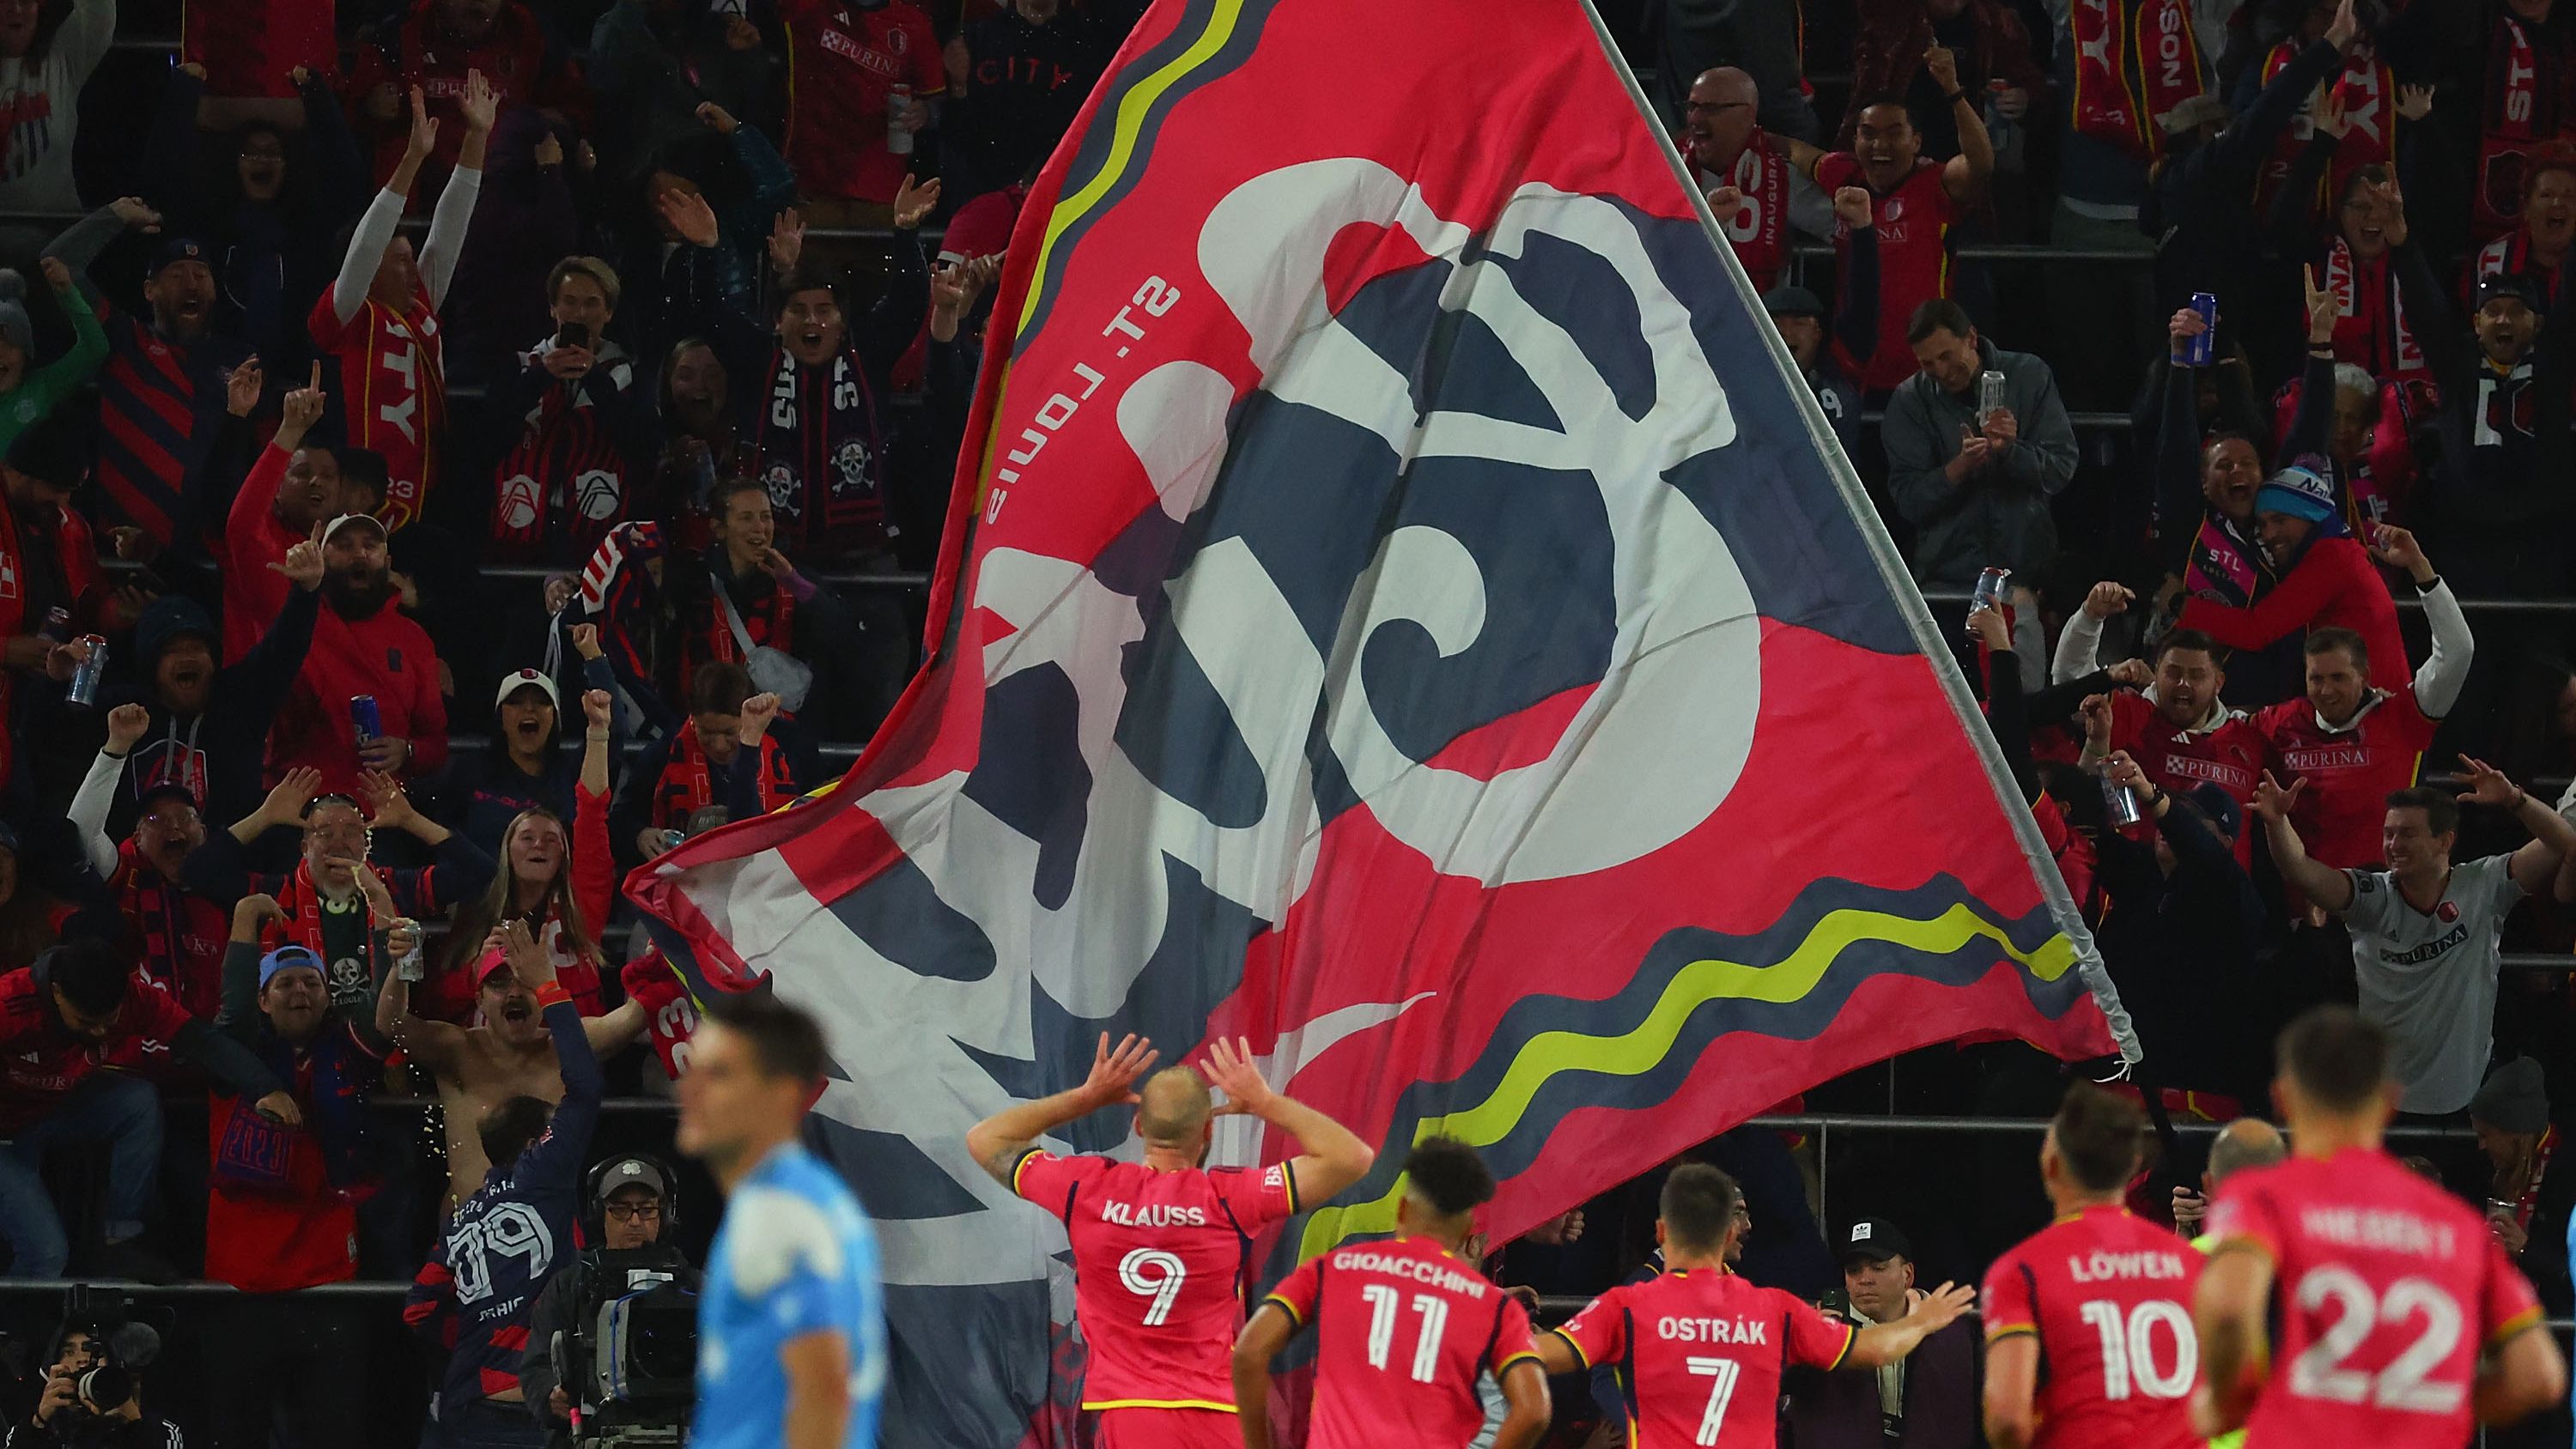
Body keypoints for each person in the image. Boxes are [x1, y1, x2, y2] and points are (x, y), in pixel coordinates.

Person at [963, 1034, 1376, 1446]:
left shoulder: (1084, 1190)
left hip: (1133, 1414)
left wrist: (1085, 1098)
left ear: (1139, 1125)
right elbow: (1351, 1157)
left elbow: (985, 1139)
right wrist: (1265, 1103)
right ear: (1209, 1129)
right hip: (1220, 1416)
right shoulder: (1231, 1199)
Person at [2193, 1006, 2567, 1444]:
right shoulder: (2459, 1226)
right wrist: (2432, 1411)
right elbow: (2539, 1374)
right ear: (2390, 1102)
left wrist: (2228, 1403)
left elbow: (2229, 1307)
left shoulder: (2263, 1197)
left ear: (2282, 1098)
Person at [1534, 1165, 1974, 1448]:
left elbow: (1536, 1355)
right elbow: (1873, 1350)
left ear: (1663, 1232)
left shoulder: (1623, 1306)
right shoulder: (1773, 1309)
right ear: (1727, 1235)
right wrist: (1923, 1321)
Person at [2256, 765, 2576, 1116]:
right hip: (2382, 1101)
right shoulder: (2371, 897)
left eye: (2407, 834)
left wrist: (2514, 799)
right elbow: (2301, 870)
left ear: (2445, 841)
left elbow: (2561, 842)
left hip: (2464, 1098)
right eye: (2388, 834)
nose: (2394, 845)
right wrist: (2277, 822)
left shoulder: (2484, 885)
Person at [200, 896, 397, 1447]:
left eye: (311, 982)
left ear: (328, 995)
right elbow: (232, 1012)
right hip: (241, 1281)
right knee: (236, 1436)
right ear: (262, 999)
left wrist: (386, 930)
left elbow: (385, 1018)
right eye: (284, 984)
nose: (300, 991)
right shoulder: (234, 1059)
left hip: (328, 1279)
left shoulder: (347, 1055)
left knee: (335, 1435)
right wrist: (244, 920)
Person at [404, 920, 604, 1449]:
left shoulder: (460, 1221)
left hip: (465, 1400)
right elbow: (585, 1087)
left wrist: (478, 1333)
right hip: (537, 1408)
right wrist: (549, 987)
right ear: (539, 1139)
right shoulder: (545, 1172)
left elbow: (418, 1310)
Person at [0, 938, 295, 1278]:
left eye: (109, 1021)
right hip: (6, 1136)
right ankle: (21, 1313)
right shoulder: (10, 1004)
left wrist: (266, 1087)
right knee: (47, 1255)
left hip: (58, 1106)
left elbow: (200, 1041)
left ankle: (119, 1238)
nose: (99, 1031)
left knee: (138, 1101)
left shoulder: (135, 999)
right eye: (86, 1022)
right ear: (56, 993)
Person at [1235, 1138, 1548, 1449]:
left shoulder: (1332, 1270)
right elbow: (1534, 1410)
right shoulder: (1496, 1308)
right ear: (1468, 1231)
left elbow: (1250, 1350)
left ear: (1402, 1210)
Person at [681, 991, 884, 1449]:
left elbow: (824, 1398)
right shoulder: (809, 1197)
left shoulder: (779, 1217)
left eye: (719, 1074)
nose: (689, 1090)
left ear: (783, 1095)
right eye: (692, 1070)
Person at [310, 77, 492, 530]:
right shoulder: (348, 313)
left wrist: (476, 137)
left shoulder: (418, 308)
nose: (415, 270)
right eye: (400, 261)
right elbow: (366, 244)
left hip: (427, 500)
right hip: (361, 507)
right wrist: (411, 160)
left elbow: (450, 229)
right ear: (370, 268)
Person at [719, 189, 936, 563]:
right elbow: (712, 314)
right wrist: (707, 249)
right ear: (778, 320)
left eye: (823, 310)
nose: (812, 321)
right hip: (772, 553)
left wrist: (905, 232)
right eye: (799, 310)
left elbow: (909, 300)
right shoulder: (759, 359)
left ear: (842, 321)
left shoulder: (866, 351)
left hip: (865, 550)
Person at [1982, 1084, 2199, 1449]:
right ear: (2133, 1163)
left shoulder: (2022, 1272)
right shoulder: (2191, 1262)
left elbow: (2008, 1421)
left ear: (2050, 1166)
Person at [184, 770, 495, 1020]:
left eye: (351, 832)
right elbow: (196, 872)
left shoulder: (392, 887)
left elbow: (480, 872)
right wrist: (263, 817)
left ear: (367, 845)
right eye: (324, 833)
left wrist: (411, 820)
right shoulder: (275, 894)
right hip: (294, 1033)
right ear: (304, 848)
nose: (339, 844)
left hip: (376, 1033)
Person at [2251, 556, 2470, 876]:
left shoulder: (2404, 716)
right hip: (2303, 897)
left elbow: (2458, 651)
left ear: (2364, 676)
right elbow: (2211, 725)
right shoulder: (2278, 722)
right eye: (2316, 679)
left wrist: (2420, 567)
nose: (2326, 690)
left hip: (2386, 895)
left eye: (2338, 678)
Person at [1797, 50, 1994, 394]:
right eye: (1868, 133)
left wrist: (1953, 91)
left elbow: (1981, 163)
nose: (1880, 144)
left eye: (1894, 133)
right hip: (1853, 367)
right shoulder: (1843, 174)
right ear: (1855, 140)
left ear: (1916, 142)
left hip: (1923, 370)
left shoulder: (1936, 185)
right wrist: (1757, 136)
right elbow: (1797, 152)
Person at [87, 553, 319, 840]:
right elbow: (57, 730)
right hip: (132, 861)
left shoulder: (240, 700)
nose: (187, 657)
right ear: (152, 667)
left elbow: (282, 651)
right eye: (172, 650)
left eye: (197, 648)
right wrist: (56, 679)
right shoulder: (123, 711)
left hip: (229, 858)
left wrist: (306, 593)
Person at [428, 688, 620, 1022]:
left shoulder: (583, 904)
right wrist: (475, 972)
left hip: (568, 1049)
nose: (539, 845)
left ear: (565, 855)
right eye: (527, 837)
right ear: (507, 852)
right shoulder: (479, 910)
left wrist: (598, 732)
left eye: (551, 839)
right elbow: (443, 1004)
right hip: (492, 1051)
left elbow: (591, 813)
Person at [2093, 755, 2270, 1101]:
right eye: (2177, 812)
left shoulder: (2232, 889)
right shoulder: (2141, 873)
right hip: (2124, 1070)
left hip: (2198, 1083)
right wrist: (2098, 751)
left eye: (2193, 820)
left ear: (2226, 842)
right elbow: (2090, 827)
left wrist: (2155, 799)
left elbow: (2202, 852)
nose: (2170, 823)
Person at [1882, 298, 2079, 585]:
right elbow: (1908, 501)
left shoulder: (2029, 375)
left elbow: (2061, 468)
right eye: (1928, 364)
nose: (1942, 371)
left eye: (1946, 356)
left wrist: (2011, 452)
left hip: (2025, 577)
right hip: (1947, 579)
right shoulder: (1909, 401)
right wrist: (1958, 469)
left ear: (1971, 338)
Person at [518, 1155, 702, 1449]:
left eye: (647, 1210)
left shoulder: (695, 1287)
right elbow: (536, 1365)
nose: (635, 1221)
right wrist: (551, 1395)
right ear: (598, 1214)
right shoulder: (569, 1286)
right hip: (591, 1433)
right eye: (620, 1210)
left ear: (665, 1214)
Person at [264, 510, 450, 796]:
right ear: (321, 559)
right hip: (303, 804)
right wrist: (302, 593)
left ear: (387, 563)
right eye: (344, 546)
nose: (360, 554)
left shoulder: (413, 639)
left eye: (370, 545)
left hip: (385, 807)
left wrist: (407, 751)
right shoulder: (294, 621)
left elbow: (436, 744)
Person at [488, 257, 659, 561]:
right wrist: (540, 378)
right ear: (552, 308)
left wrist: (595, 378)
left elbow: (642, 449)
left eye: (592, 303)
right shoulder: (520, 367)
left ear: (609, 312)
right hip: (521, 529)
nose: (580, 314)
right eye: (569, 301)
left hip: (598, 535)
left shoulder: (629, 374)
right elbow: (487, 439)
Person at [1789, 1216, 1983, 1448]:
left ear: (1907, 1275)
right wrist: (1808, 1347)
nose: (1864, 1280)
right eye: (1853, 1270)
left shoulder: (1958, 1333)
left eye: (1878, 1268)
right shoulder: (1816, 1330)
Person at [775, 0, 947, 231]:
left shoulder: (913, 24)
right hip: (812, 186)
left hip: (881, 194)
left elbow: (939, 101)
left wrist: (925, 112)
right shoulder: (811, 7)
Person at [611, 664, 798, 865]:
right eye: (706, 732)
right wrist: (639, 835)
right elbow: (619, 822)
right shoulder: (665, 753)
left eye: (729, 732)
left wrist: (749, 747)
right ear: (692, 719)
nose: (719, 745)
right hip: (684, 877)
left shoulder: (790, 749)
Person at [1683, 67, 1836, 294]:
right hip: (1673, 307)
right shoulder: (1667, 165)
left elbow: (1847, 229)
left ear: (1748, 115)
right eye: (1692, 107)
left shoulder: (1780, 173)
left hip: (1757, 309)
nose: (1695, 118)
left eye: (1711, 109)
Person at [1760, 188, 1878, 458]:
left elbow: (1863, 300)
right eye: (1776, 323)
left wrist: (1862, 227)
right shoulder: (1742, 376)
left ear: (1817, 333)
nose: (1787, 332)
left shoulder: (1842, 369)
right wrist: (1715, 226)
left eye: (1800, 322)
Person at [2468, 1056, 2572, 1316]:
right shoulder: (2494, 1171)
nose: (2480, 1146)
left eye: (2485, 1135)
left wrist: (2525, 1249)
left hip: (2557, 1322)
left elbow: (2569, 1271)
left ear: (2514, 1134)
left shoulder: (2566, 1174)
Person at [9, 1313, 185, 1448]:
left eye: (95, 1352)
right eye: (69, 1352)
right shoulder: (32, 1429)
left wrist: (133, 1425)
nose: (82, 1360)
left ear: (113, 1361)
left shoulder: (160, 1431)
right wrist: (39, 1422)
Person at [2170, 1117, 2290, 1245]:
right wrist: (2185, 1229)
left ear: (2208, 1185)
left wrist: (2185, 1235)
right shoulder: (2302, 1247)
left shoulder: (2196, 1253)